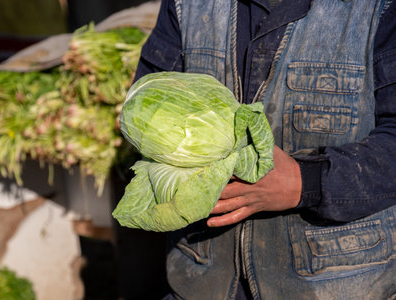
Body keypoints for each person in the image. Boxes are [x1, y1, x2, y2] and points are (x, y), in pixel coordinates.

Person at [132, 0, 396, 299]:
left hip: (337, 283)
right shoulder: (187, 5)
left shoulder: (379, 7)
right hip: (201, 277)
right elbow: (147, 101)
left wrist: (303, 182)